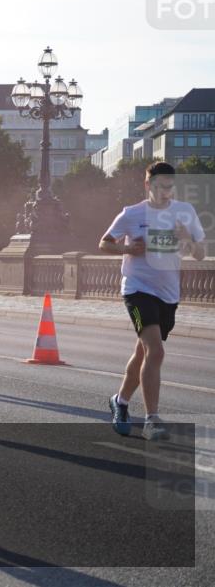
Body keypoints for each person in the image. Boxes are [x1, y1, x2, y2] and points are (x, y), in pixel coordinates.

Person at [99, 161, 205, 441]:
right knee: (155, 351)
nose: (164, 192)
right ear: (148, 185)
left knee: (144, 354)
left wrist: (188, 239)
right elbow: (104, 243)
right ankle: (151, 419)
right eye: (159, 186)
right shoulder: (132, 214)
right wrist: (126, 248)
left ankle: (119, 401)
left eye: (169, 186)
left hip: (168, 294)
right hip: (137, 290)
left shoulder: (185, 212)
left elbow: (200, 254)